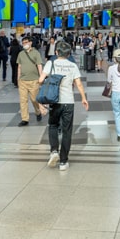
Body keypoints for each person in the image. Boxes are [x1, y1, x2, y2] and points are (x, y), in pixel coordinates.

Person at [38, 41, 88, 171]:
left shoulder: (51, 63)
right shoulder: (72, 66)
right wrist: (83, 98)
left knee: (53, 125)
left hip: (54, 101)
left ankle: (54, 151)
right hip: (68, 102)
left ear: (56, 52)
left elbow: (40, 80)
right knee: (67, 131)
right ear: (69, 54)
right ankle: (63, 161)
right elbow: (78, 84)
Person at [16, 35, 45, 127]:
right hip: (23, 81)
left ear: (30, 43)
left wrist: (41, 77)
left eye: (26, 42)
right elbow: (19, 66)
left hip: (34, 80)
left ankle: (38, 112)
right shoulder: (21, 54)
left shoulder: (36, 53)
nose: (24, 44)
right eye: (23, 43)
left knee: (34, 99)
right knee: (23, 101)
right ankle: (25, 119)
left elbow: (39, 65)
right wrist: (18, 78)